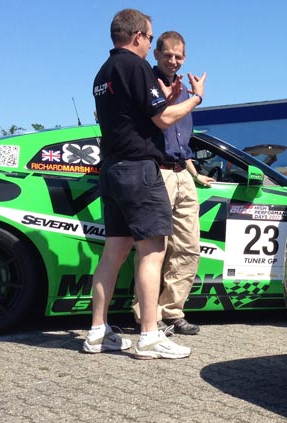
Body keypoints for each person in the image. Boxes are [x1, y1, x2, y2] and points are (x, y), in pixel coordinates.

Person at [86, 9, 206, 359]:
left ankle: (97, 332)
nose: (152, 43)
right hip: (139, 170)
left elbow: (136, 115)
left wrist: (168, 99)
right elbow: (163, 119)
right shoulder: (135, 66)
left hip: (112, 168)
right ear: (138, 36)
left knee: (113, 253)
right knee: (152, 252)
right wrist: (196, 98)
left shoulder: (103, 71)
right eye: (152, 38)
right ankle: (150, 336)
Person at [131, 31, 215, 336]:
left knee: (188, 247)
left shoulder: (183, 88)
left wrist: (194, 172)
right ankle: (147, 316)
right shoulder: (147, 82)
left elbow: (181, 141)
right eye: (167, 55)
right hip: (156, 172)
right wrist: (198, 96)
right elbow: (160, 126)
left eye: (179, 56)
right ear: (156, 54)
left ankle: (172, 311)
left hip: (182, 173)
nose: (173, 61)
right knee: (155, 249)